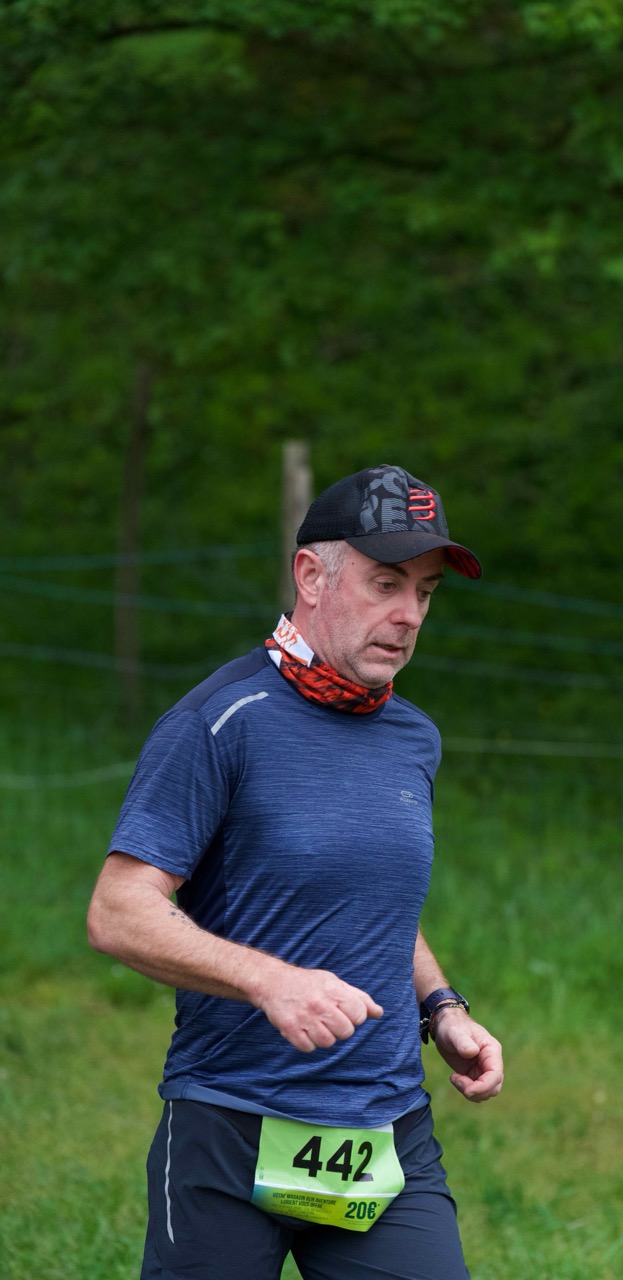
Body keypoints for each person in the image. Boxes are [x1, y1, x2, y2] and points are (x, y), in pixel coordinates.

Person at [87, 463, 504, 1280]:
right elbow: (117, 909)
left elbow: (371, 899)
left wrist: (441, 1008)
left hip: (382, 1127)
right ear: (311, 576)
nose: (408, 615)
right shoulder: (220, 720)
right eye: (385, 584)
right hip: (230, 1124)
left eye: (424, 592)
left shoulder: (412, 737)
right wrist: (269, 981)